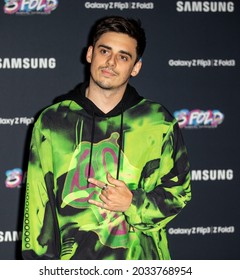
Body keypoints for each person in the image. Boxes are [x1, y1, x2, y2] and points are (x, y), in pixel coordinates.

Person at [22, 16, 191, 260]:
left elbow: (179, 193)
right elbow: (38, 204)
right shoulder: (53, 121)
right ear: (90, 54)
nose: (111, 62)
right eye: (104, 51)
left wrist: (132, 202)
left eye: (124, 56)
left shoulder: (157, 122)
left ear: (135, 67)